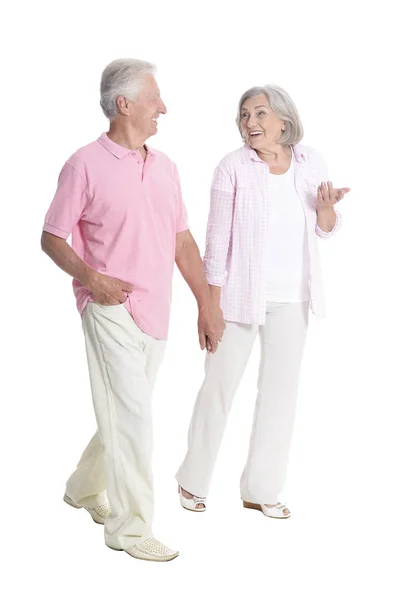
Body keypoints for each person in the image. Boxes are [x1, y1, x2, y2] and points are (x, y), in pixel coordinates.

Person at [41, 58, 224, 562]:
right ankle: (129, 528)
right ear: (125, 105)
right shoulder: (83, 163)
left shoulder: (165, 168)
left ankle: (82, 488)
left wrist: (206, 304)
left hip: (157, 310)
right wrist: (91, 279)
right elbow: (51, 236)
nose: (163, 107)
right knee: (134, 418)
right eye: (154, 98)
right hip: (108, 307)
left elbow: (183, 243)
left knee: (123, 413)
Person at [176, 84, 350, 518]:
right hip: (237, 298)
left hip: (293, 299)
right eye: (244, 115)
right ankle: (192, 481)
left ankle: (261, 488)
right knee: (218, 388)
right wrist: (209, 306)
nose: (250, 123)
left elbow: (325, 229)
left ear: (284, 122)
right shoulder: (232, 167)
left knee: (280, 395)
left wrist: (327, 211)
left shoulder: (312, 163)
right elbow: (216, 242)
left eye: (260, 114)